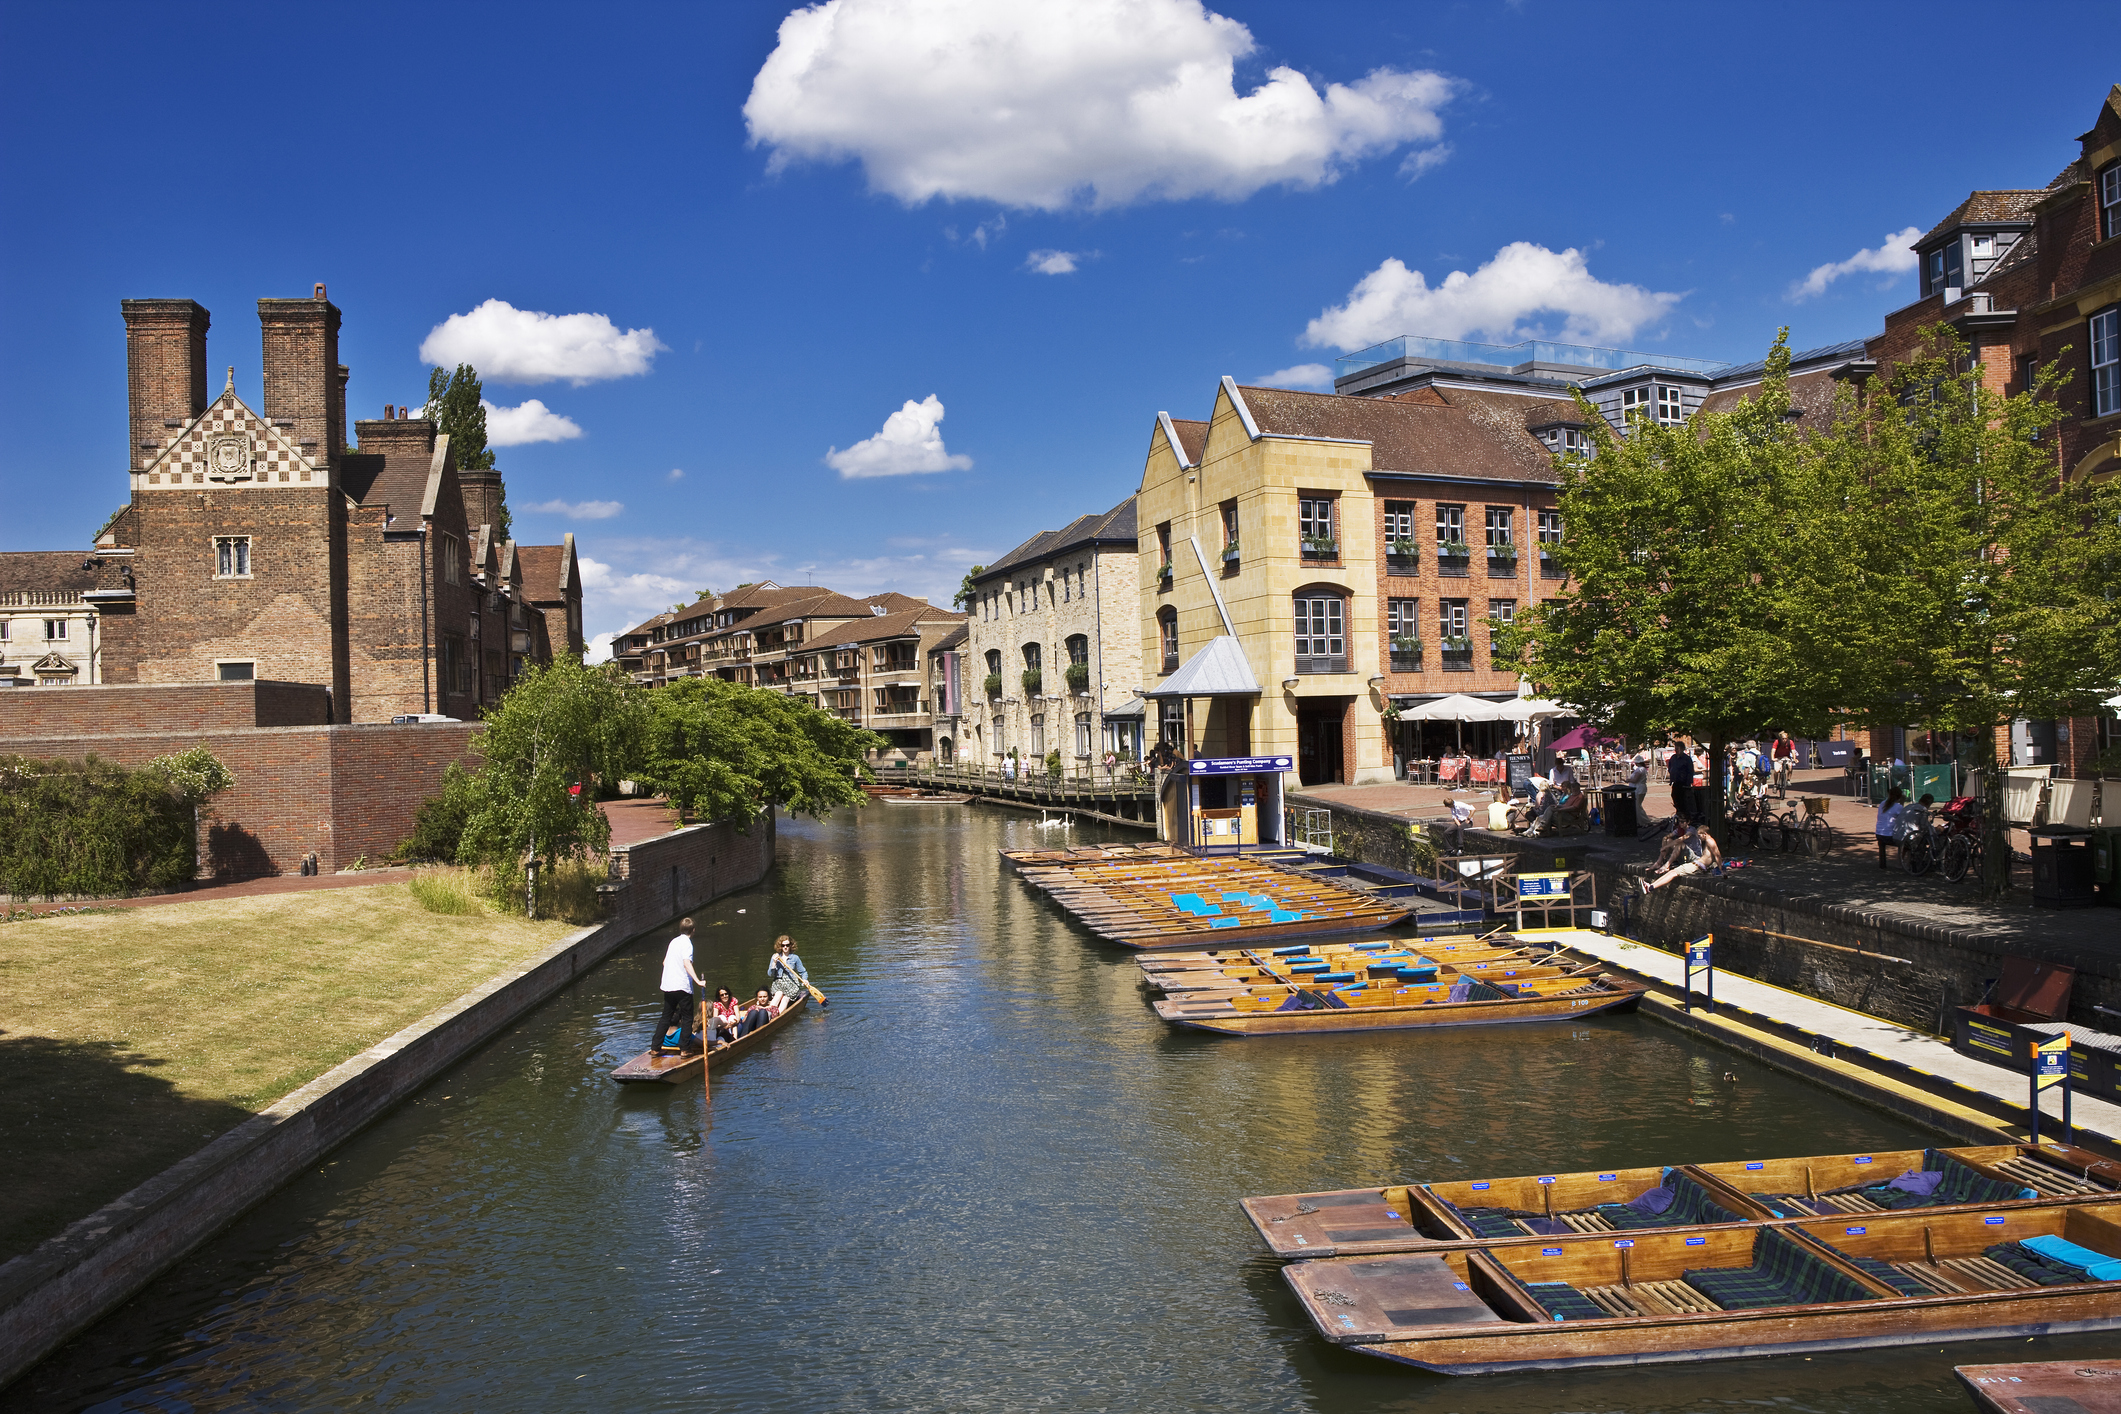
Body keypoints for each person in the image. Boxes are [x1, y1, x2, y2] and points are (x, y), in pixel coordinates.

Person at [651, 918, 703, 1056]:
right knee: (687, 1017)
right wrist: (698, 981)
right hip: (682, 986)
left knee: (666, 1016)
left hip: (668, 986)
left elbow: (664, 963)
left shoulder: (673, 942)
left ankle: (655, 1047)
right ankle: (685, 1049)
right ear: (693, 930)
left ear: (680, 929)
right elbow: (686, 963)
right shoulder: (687, 943)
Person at [1646, 820, 1722, 890]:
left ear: (1705, 834)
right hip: (1696, 864)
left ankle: (1650, 887)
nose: (1698, 837)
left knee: (1673, 873)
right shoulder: (1708, 842)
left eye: (1699, 835)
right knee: (1672, 872)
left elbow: (1718, 856)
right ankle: (1651, 886)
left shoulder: (1710, 842)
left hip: (1697, 866)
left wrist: (1722, 870)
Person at [767, 936, 811, 1009]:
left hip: (791, 984)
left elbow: (803, 972)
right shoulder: (775, 957)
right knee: (778, 994)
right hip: (778, 984)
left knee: (785, 999)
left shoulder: (795, 958)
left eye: (787, 945)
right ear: (780, 946)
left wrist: (805, 979)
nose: (785, 947)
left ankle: (779, 1014)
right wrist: (774, 963)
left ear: (790, 945)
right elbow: (770, 974)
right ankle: (770, 1012)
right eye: (783, 945)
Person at [1875, 787, 1908, 870]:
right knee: (1906, 843)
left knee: (1883, 841)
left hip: (1879, 833)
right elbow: (1902, 818)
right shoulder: (1898, 806)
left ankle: (1882, 864)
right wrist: (1902, 803)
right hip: (1889, 836)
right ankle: (1900, 863)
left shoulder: (1882, 803)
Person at [1668, 741, 1697, 824]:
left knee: (1684, 801)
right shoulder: (1673, 758)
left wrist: (1688, 783)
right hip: (1676, 782)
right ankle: (1679, 813)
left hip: (1684, 783)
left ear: (1682, 749)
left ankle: (1685, 818)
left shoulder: (1686, 759)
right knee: (1674, 796)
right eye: (1675, 748)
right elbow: (1670, 767)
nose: (1676, 750)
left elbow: (1690, 771)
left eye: (1677, 748)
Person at [1771, 731, 1797, 796]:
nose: (1784, 740)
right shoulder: (1777, 742)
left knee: (1790, 766)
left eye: (1785, 738)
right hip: (1778, 758)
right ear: (1780, 738)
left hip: (1786, 757)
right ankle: (1775, 784)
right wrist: (1773, 758)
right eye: (1783, 739)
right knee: (1776, 771)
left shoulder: (1790, 742)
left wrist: (1794, 758)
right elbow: (1773, 750)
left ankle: (1788, 780)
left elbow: (1793, 751)